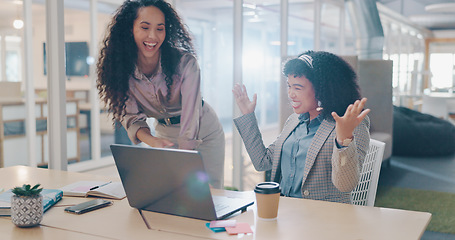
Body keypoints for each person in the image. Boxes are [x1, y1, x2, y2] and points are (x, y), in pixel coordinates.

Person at [97, 0, 225, 188]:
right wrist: (153, 140)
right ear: (129, 29)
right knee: (173, 191)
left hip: (204, 130)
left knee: (209, 191)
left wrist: (185, 154)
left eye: (160, 28)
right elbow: (131, 117)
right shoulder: (120, 69)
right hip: (164, 133)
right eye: (145, 27)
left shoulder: (185, 63)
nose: (153, 36)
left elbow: (192, 112)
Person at [232, 50, 370, 203]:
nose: (290, 94)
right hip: (284, 211)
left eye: (297, 88)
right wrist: (248, 116)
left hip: (323, 218)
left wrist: (344, 140)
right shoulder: (294, 121)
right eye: (289, 86)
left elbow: (346, 185)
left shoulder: (351, 125)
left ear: (322, 89)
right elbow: (262, 162)